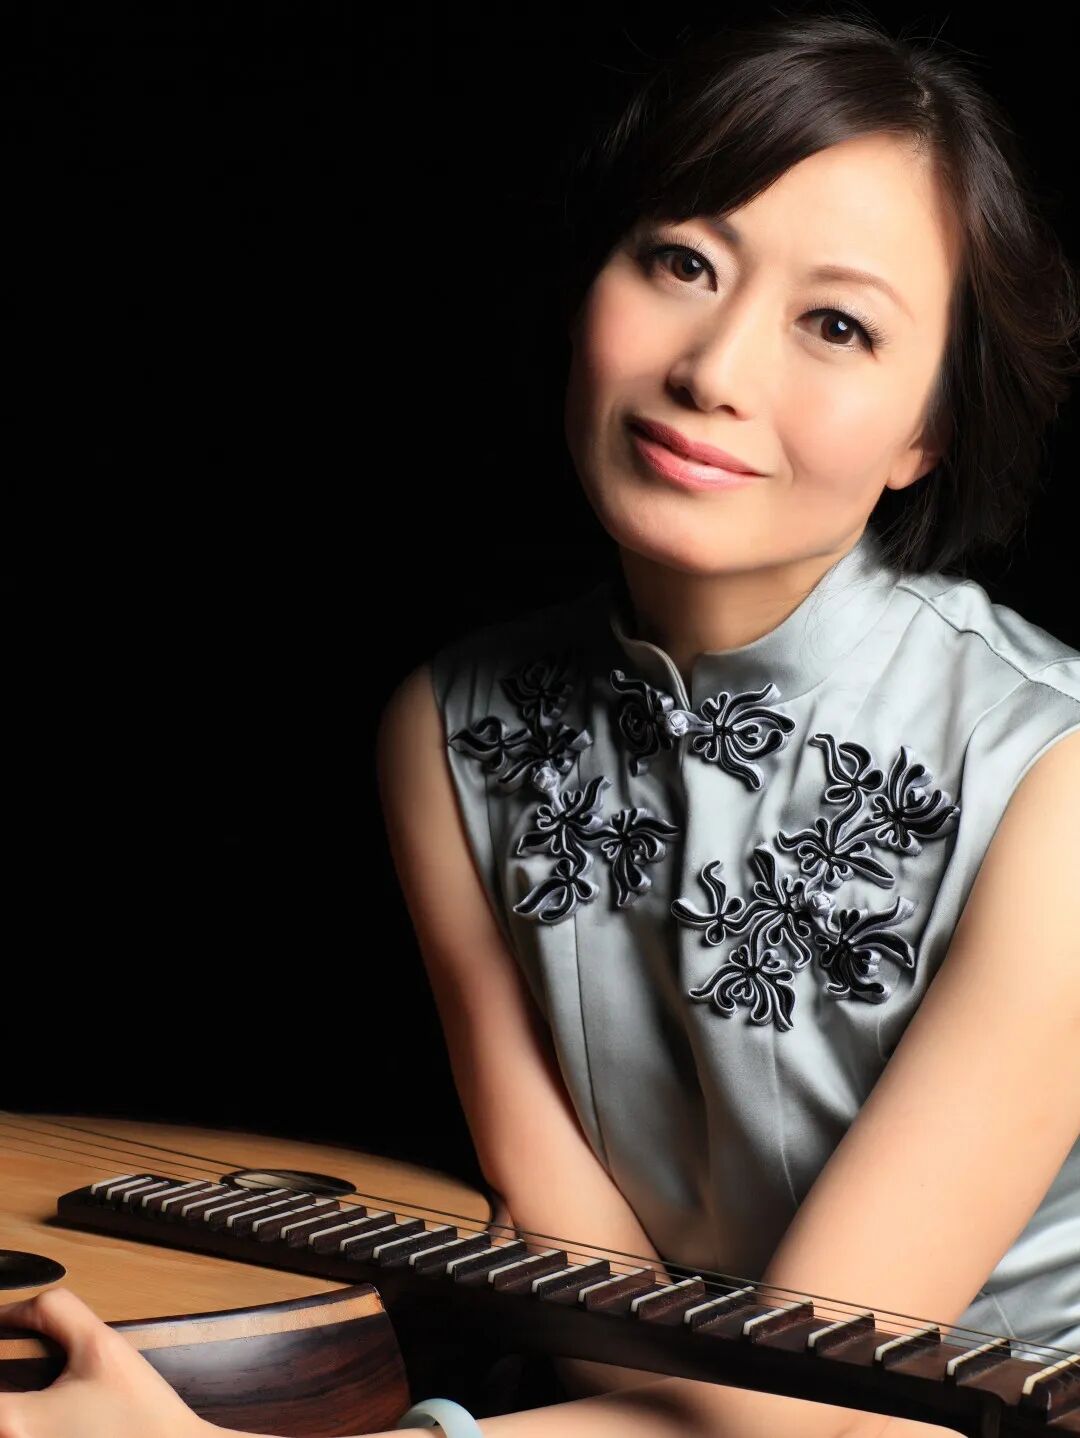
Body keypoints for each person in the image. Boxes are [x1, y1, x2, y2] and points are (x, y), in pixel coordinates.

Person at [3, 8, 1079, 1437]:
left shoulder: (1053, 782)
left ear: (928, 431)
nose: (715, 369)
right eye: (683, 262)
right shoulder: (450, 732)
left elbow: (828, 1402)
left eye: (837, 324)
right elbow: (580, 1293)